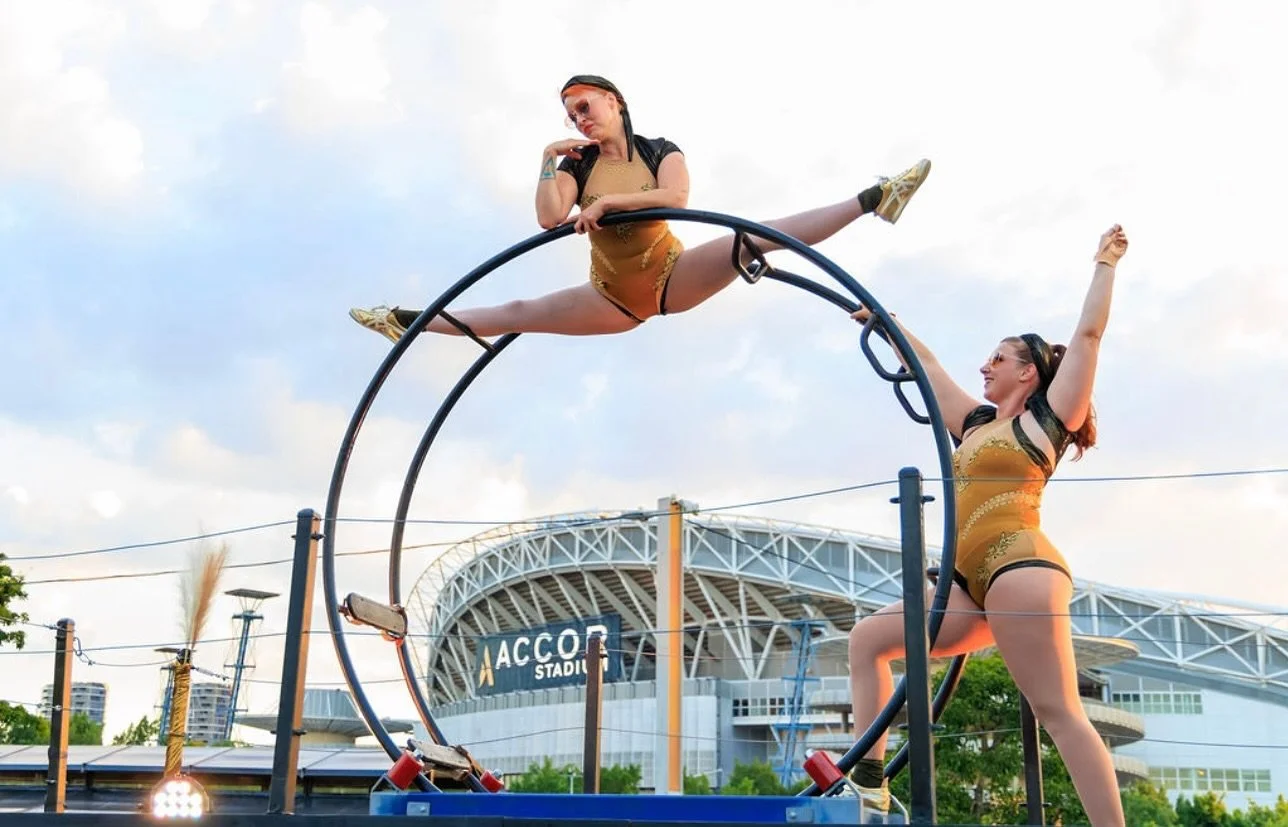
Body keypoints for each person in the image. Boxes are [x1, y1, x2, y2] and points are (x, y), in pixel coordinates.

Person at [844, 225, 1130, 825]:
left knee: (1058, 711)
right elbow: (926, 364)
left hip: (1019, 567)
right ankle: (869, 779)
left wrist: (1103, 264)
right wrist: (885, 319)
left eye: (998, 358)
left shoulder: (1047, 422)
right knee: (868, 639)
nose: (985, 365)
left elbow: (1088, 335)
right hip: (967, 586)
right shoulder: (975, 423)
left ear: (1029, 373)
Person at [349, 74, 933, 342]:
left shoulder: (659, 151)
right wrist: (549, 160)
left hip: (670, 276)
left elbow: (678, 200)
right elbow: (548, 220)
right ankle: (409, 322)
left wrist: (616, 203)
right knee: (517, 308)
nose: (579, 119)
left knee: (754, 237)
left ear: (614, 101)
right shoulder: (578, 166)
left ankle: (874, 199)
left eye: (585, 107)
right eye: (570, 115)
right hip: (608, 296)